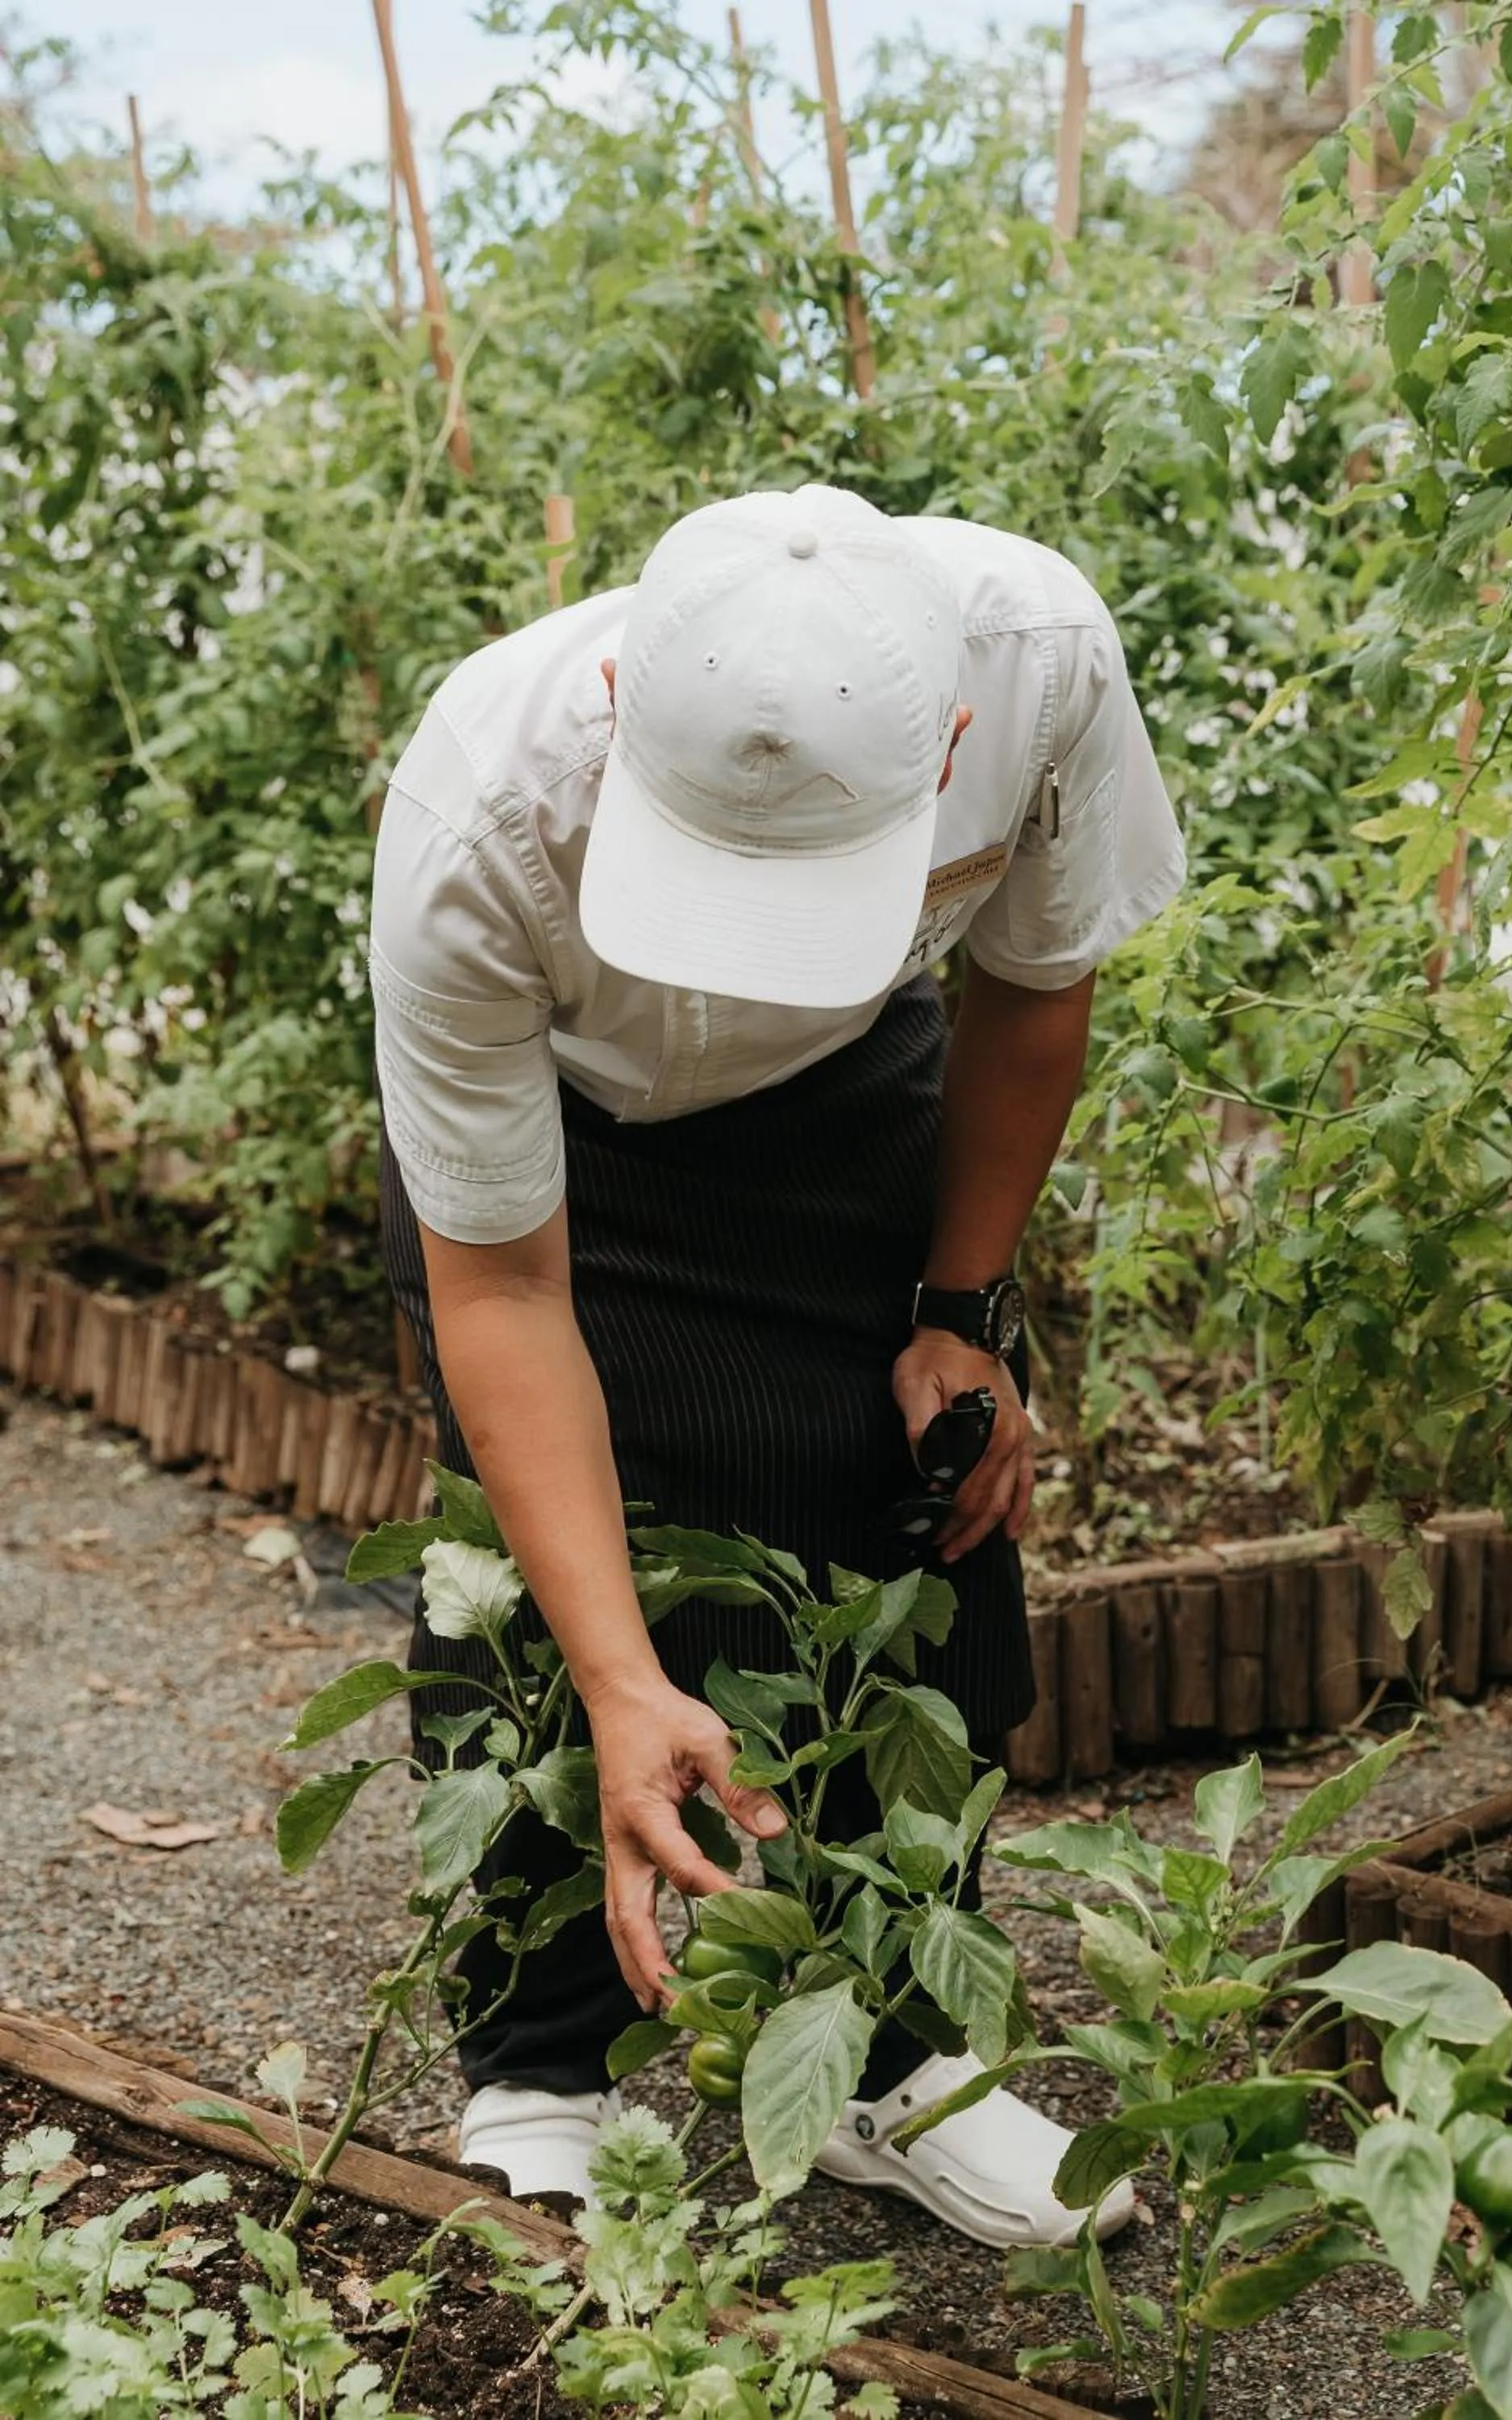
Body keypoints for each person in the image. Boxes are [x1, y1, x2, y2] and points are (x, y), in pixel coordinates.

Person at [369, 482, 1184, 2244]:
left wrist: (962, 1306)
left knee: (926, 1518)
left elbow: (1035, 986)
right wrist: (618, 1681)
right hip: (571, 1137)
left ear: (948, 734)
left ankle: (893, 2066)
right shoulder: (483, 811)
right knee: (550, 1594)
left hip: (844, 1096)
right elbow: (503, 1297)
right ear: (618, 723)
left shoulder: (1038, 666)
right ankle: (540, 2062)